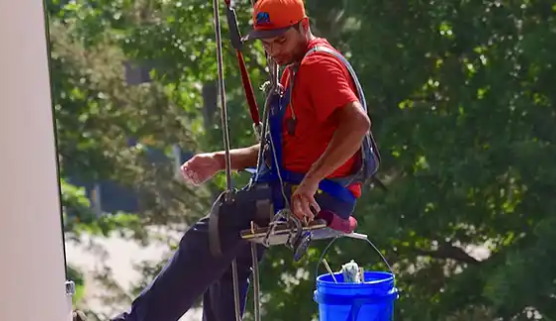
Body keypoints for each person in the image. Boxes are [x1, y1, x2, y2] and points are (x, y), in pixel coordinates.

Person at [106, 0, 372, 320]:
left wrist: (310, 182)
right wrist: (220, 160)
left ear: (304, 26)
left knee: (207, 237)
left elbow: (357, 124)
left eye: (280, 41)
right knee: (228, 255)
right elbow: (278, 153)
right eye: (266, 43)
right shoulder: (296, 71)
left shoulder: (318, 66)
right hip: (304, 189)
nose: (273, 51)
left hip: (317, 194)